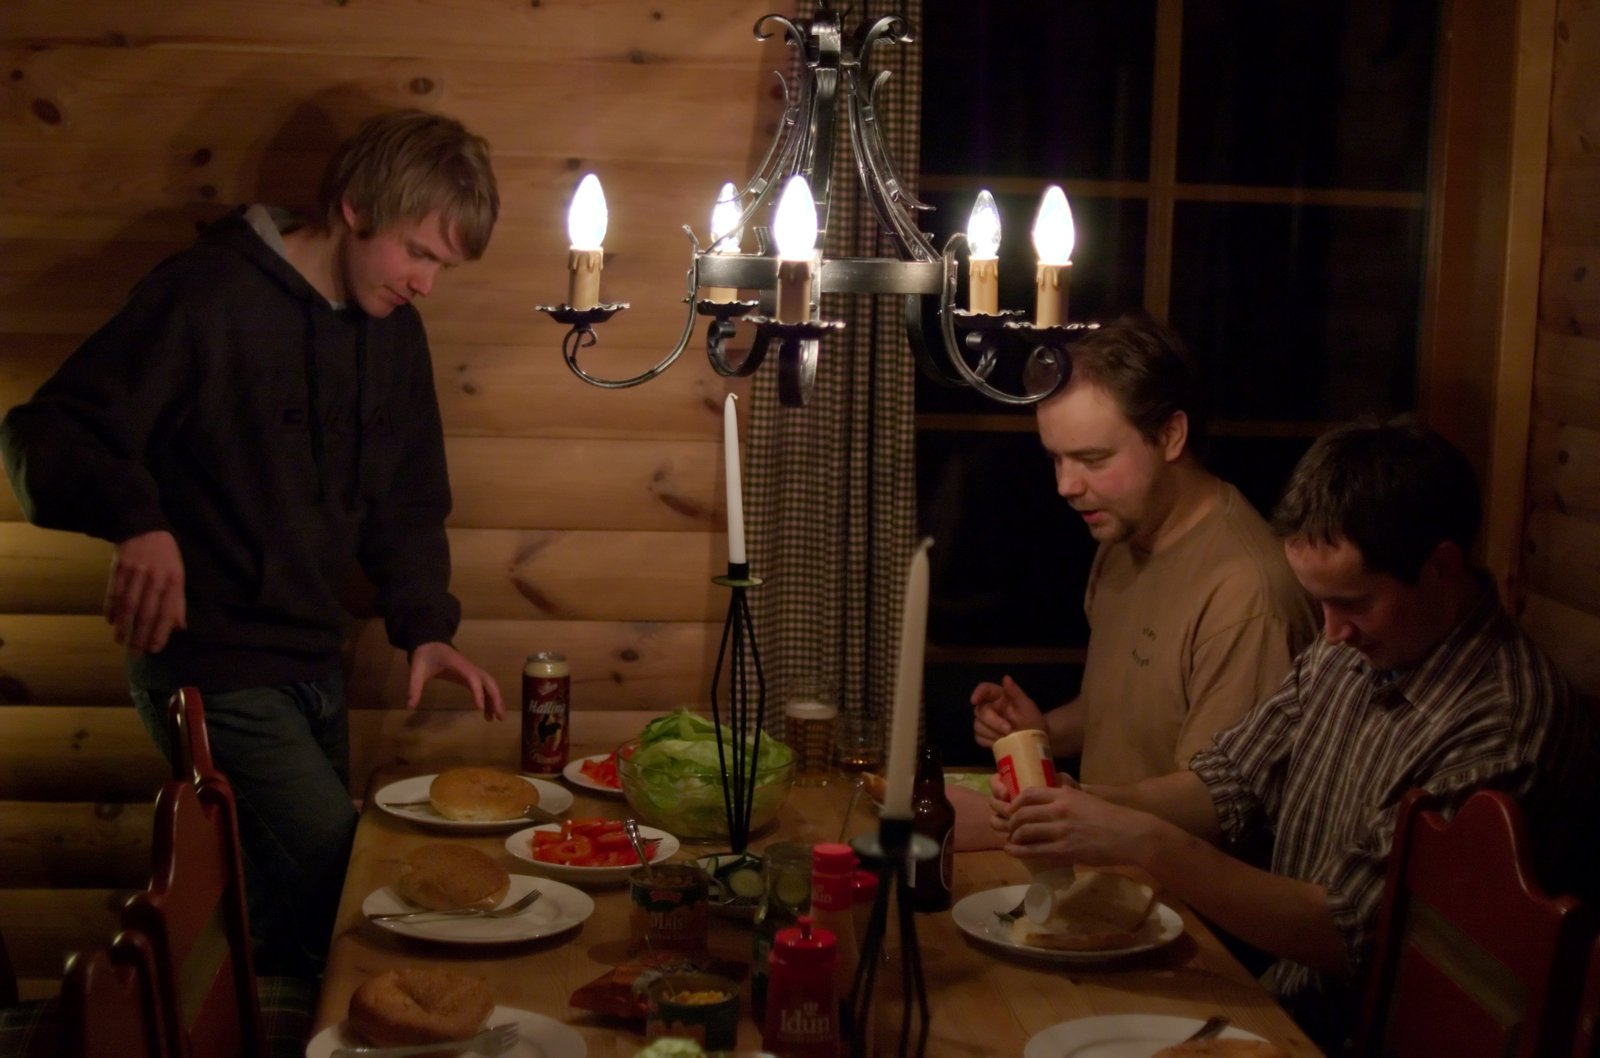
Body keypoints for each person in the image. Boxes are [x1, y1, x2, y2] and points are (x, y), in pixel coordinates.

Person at [0, 108, 507, 976]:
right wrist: (138, 520)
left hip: (316, 666)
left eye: (443, 267)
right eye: (418, 253)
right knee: (350, 887)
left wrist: (426, 623)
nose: (426, 283)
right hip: (213, 670)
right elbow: (45, 435)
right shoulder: (206, 296)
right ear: (354, 207)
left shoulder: (392, 332)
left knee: (288, 932)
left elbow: (410, 500)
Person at [994, 417, 1597, 1046]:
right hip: (1283, 1001)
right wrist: (1084, 804)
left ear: (1442, 567)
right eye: (1321, 602)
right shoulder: (1358, 647)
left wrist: (1144, 842)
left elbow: (1351, 931)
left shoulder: (1502, 724)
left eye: (1353, 603)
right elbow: (1230, 781)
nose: (1330, 632)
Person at [972, 314, 1317, 783]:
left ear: (1171, 436)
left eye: (1093, 459)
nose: (1066, 486)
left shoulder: (1247, 596)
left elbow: (1213, 800)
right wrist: (1039, 734)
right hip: (1096, 831)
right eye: (1056, 459)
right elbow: (1117, 713)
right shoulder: (1125, 531)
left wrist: (1071, 805)